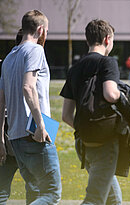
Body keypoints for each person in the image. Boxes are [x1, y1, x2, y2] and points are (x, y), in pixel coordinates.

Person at [0, 10, 62, 204]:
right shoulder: (35, 50)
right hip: (35, 131)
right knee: (52, 193)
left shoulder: (9, 57)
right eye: (47, 31)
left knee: (36, 191)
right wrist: (41, 125)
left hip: (16, 135)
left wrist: (1, 137)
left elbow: (1, 101)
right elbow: (28, 87)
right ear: (41, 29)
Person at [61, 19, 122, 205]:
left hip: (83, 144)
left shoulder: (74, 69)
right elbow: (111, 94)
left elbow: (65, 115)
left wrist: (83, 127)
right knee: (95, 199)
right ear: (107, 39)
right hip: (104, 142)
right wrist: (125, 95)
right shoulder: (107, 63)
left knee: (113, 199)